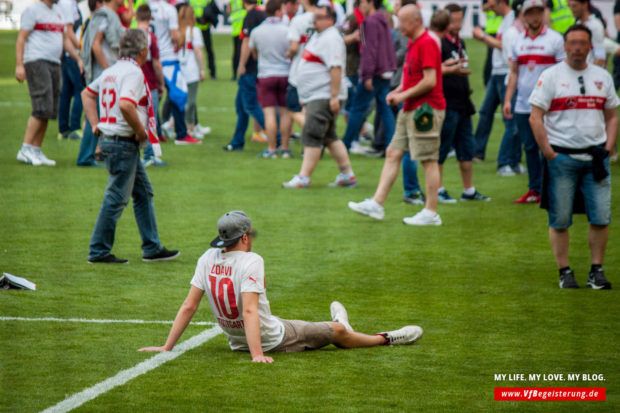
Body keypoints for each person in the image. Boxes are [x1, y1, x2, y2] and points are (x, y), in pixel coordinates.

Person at [139, 210, 423, 362]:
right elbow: (249, 312)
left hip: (239, 338)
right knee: (336, 333)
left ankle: (337, 323)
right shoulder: (251, 260)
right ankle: (385, 337)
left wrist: (167, 347)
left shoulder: (206, 257)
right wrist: (258, 355)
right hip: (272, 338)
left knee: (297, 323)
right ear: (245, 237)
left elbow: (190, 305)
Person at [528, 24, 617, 289]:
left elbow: (612, 116)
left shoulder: (602, 77)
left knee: (601, 216)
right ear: (565, 46)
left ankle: (596, 270)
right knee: (560, 218)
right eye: (573, 43)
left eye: (582, 43)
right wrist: (549, 152)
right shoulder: (551, 76)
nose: (577, 47)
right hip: (562, 159)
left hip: (596, 159)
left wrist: (609, 147)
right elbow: (535, 117)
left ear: (590, 46)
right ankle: (564, 270)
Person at [81, 29, 179, 264]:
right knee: (116, 198)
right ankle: (98, 250)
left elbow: (87, 94)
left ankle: (152, 246)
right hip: (123, 142)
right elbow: (126, 105)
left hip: (112, 141)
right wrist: (140, 131)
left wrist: (96, 124)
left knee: (143, 192)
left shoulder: (111, 71)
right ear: (143, 51)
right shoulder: (134, 72)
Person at [348, 4, 446, 226]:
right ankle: (377, 203)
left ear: (416, 21)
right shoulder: (414, 42)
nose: (398, 25)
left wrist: (402, 95)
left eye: (402, 21)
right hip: (412, 107)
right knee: (393, 152)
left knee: (429, 160)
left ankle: (431, 212)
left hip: (425, 110)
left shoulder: (428, 42)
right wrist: (399, 91)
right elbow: (412, 74)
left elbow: (430, 80)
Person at [282, 5, 356, 188]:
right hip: (317, 94)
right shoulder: (320, 36)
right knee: (330, 137)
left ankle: (303, 177)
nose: (315, 20)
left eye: (320, 17)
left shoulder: (331, 38)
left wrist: (333, 96)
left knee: (312, 135)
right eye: (315, 17)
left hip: (322, 95)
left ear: (330, 19)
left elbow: (335, 68)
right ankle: (347, 174)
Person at [503, 0, 565, 204]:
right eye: (531, 13)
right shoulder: (518, 41)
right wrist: (508, 99)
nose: (535, 17)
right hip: (523, 103)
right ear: (524, 15)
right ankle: (534, 189)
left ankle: (550, 188)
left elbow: (562, 73)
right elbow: (514, 73)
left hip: (548, 104)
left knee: (548, 146)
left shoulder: (555, 40)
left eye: (538, 12)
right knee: (529, 147)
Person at [15, 0, 83, 167]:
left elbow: (65, 39)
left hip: (55, 63)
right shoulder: (33, 10)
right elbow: (21, 38)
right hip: (37, 61)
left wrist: (77, 58)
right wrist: (19, 65)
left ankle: (36, 150)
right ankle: (25, 149)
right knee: (41, 107)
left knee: (49, 109)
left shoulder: (59, 11)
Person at [436, 4, 490, 203]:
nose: (457, 25)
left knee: (466, 149)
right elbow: (432, 71)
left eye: (460, 20)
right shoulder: (439, 43)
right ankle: (438, 189)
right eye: (453, 21)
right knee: (441, 149)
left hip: (463, 103)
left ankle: (469, 190)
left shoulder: (460, 43)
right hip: (447, 103)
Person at [472, 0, 520, 176]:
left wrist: (483, 37)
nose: (489, 6)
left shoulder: (513, 20)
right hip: (496, 71)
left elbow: (505, 47)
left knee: (510, 118)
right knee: (485, 112)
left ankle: (508, 161)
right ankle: (477, 152)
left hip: (505, 73)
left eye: (492, 3)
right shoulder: (504, 19)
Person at [341, 0, 397, 152]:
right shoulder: (382, 19)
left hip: (374, 73)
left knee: (357, 109)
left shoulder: (369, 22)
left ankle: (345, 144)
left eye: (362, 2)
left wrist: (367, 75)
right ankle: (391, 146)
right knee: (385, 109)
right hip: (385, 70)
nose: (360, 5)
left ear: (370, 2)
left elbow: (368, 50)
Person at [78, 0, 125, 167]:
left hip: (105, 73)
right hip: (102, 74)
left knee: (100, 116)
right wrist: (108, 71)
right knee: (96, 117)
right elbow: (95, 44)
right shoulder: (105, 15)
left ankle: (92, 154)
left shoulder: (111, 15)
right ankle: (85, 157)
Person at [150, 0, 201, 145]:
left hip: (151, 55)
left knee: (155, 96)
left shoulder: (147, 6)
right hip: (167, 57)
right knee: (180, 94)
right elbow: (174, 36)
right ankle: (181, 134)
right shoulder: (168, 10)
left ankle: (157, 132)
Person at [249, 0, 292, 158]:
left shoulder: (257, 31)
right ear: (278, 11)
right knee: (285, 113)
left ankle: (272, 148)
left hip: (266, 74)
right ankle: (285, 148)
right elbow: (292, 50)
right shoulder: (287, 30)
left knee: (269, 114)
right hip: (285, 73)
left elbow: (254, 53)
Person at [222, 0, 267, 151]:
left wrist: (241, 64)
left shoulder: (250, 16)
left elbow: (246, 42)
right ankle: (237, 141)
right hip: (258, 67)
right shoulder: (261, 15)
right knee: (241, 107)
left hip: (250, 69)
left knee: (251, 105)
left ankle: (277, 136)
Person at [136, 4, 167, 167]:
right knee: (150, 120)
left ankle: (136, 154)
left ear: (136, 17)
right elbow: (156, 63)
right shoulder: (150, 37)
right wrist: (161, 83)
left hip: (132, 84)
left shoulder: (130, 35)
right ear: (150, 18)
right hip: (149, 83)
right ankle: (149, 155)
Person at [178, 4, 211, 140]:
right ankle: (188, 127)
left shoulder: (178, 31)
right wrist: (202, 69)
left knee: (181, 99)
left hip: (179, 69)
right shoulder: (194, 31)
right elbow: (198, 51)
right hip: (191, 70)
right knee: (190, 101)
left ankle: (187, 126)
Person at [57, 0, 83, 141]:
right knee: (80, 90)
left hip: (68, 54)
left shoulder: (69, 3)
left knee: (66, 92)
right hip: (72, 54)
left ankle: (63, 129)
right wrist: (81, 48)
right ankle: (74, 127)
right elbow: (68, 31)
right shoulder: (68, 3)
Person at [567, 0, 605, 66]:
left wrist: (590, 74)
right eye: (569, 6)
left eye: (574, 6)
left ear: (585, 5)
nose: (571, 9)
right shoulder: (578, 23)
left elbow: (600, 57)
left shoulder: (595, 26)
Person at [189, 0, 217, 80]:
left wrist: (207, 18)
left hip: (205, 27)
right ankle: (198, 72)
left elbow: (213, 10)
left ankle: (212, 73)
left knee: (208, 51)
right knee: (195, 51)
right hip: (195, 27)